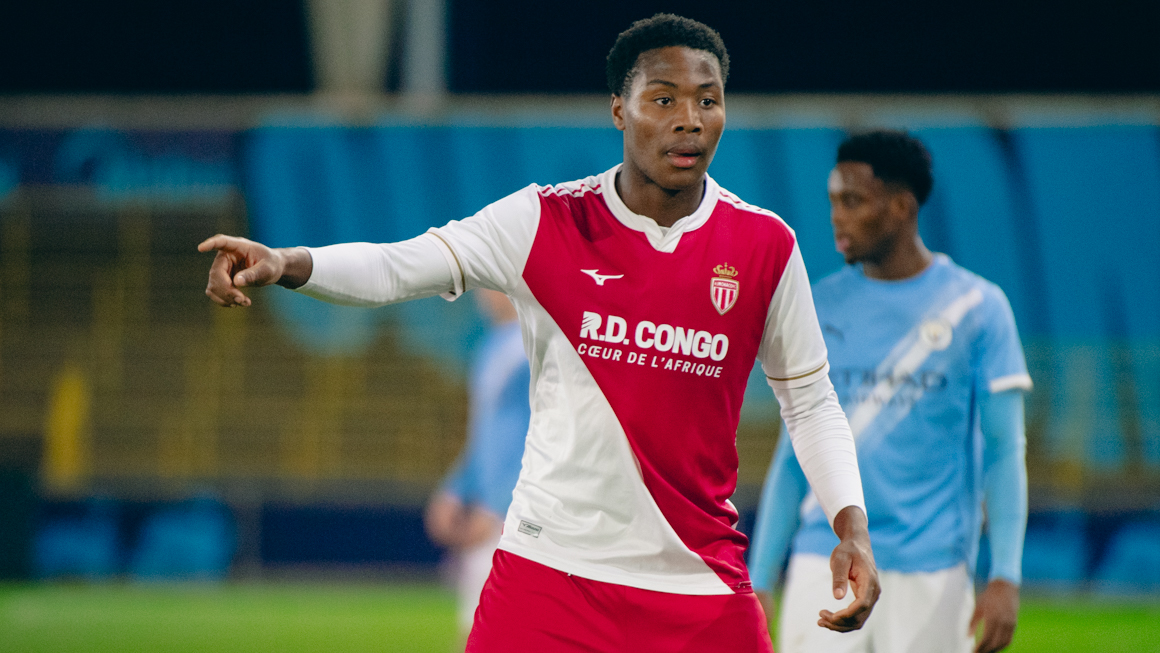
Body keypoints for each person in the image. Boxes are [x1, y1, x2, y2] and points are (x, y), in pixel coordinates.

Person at [200, 14, 879, 652]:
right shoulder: (545, 222)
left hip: (697, 584)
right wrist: (287, 262)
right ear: (620, 110)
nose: (689, 120)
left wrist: (851, 525)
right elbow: (398, 265)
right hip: (549, 576)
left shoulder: (764, 245)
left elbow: (810, 402)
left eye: (708, 100)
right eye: (663, 99)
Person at [749, 130, 1032, 653]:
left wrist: (1005, 575)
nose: (837, 217)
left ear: (902, 207)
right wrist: (760, 575)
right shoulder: (817, 306)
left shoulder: (977, 309)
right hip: (826, 559)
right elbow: (793, 456)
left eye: (853, 201)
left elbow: (1005, 452)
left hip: (933, 569)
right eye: (833, 201)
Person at [424, 289, 531, 639]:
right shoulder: (490, 347)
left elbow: (537, 433)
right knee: (475, 630)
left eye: (491, 284)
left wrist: (501, 506)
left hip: (518, 513)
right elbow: (484, 434)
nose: (482, 293)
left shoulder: (535, 347)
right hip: (488, 508)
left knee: (496, 632)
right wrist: (455, 489)